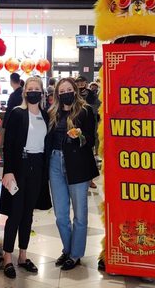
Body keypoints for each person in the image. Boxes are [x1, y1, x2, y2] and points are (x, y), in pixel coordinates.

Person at [0, 77, 51, 279]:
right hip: (19, 166)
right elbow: (9, 144)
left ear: (42, 92)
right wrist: (8, 171)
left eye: (37, 89)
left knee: (28, 214)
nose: (34, 92)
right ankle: (7, 257)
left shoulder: (45, 116)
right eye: (30, 89)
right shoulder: (17, 114)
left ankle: (23, 255)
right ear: (25, 92)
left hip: (37, 167)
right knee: (15, 212)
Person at [46, 77, 99, 270]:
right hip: (55, 163)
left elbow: (91, 140)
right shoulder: (52, 112)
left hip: (78, 165)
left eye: (69, 89)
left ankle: (75, 254)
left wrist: (79, 136)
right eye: (62, 91)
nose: (65, 93)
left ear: (75, 90)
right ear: (57, 94)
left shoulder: (85, 111)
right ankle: (67, 250)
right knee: (60, 215)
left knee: (80, 214)